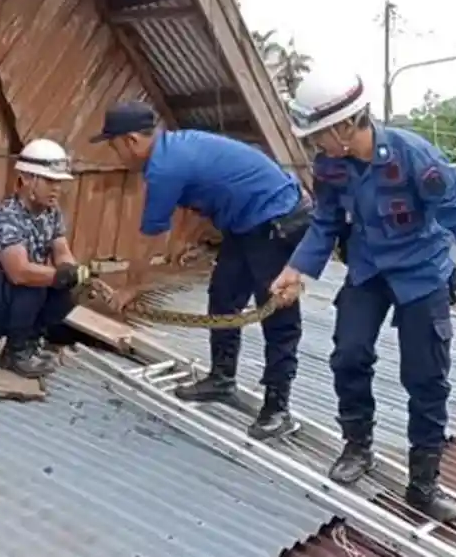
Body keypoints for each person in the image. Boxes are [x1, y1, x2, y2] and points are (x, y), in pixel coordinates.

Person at [268, 67, 456, 523]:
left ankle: (424, 484)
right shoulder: (330, 167)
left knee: (425, 378)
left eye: (318, 134)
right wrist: (295, 270)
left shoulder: (416, 157)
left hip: (422, 276)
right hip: (368, 271)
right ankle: (357, 444)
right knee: (348, 355)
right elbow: (326, 221)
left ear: (345, 126)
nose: (313, 145)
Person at [90, 100, 311, 440]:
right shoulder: (171, 150)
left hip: (275, 218)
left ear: (132, 141)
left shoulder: (165, 167)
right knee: (223, 296)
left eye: (115, 145)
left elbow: (150, 237)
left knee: (276, 313)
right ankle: (222, 378)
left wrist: (130, 288)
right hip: (244, 222)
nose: (115, 153)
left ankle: (277, 409)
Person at [0, 139, 91, 378]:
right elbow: (19, 271)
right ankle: (15, 352)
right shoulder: (7, 218)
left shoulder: (51, 212)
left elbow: (61, 250)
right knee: (32, 280)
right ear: (27, 178)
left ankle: (32, 339)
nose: (56, 189)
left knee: (68, 286)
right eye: (50, 181)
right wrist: (59, 275)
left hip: (15, 297)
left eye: (59, 182)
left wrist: (73, 273)